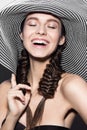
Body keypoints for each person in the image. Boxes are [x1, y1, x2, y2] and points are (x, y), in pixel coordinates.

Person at [0, 0, 87, 130]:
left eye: (51, 26)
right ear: (21, 35)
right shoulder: (6, 90)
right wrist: (12, 117)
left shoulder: (70, 85)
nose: (41, 31)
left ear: (61, 39)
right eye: (32, 24)